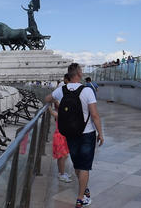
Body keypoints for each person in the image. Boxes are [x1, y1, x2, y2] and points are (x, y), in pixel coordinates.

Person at [45, 63, 104, 208]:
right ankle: (80, 198)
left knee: (77, 163)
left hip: (70, 134)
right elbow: (95, 115)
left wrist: (51, 106)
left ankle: (85, 189)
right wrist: (100, 133)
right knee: (84, 166)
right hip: (86, 133)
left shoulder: (61, 90)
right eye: (81, 71)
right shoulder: (87, 91)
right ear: (78, 73)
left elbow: (47, 99)